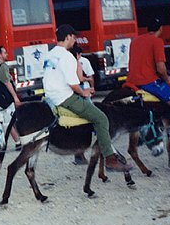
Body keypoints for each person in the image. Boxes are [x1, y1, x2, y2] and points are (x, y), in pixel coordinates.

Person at [43, 24, 131, 172]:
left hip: (49, 97)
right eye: (74, 37)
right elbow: (73, 84)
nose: (75, 40)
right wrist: (84, 92)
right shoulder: (67, 56)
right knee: (101, 118)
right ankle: (110, 158)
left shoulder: (49, 54)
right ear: (68, 37)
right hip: (65, 98)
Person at [126, 18, 170, 166]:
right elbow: (160, 68)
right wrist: (167, 78)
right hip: (149, 82)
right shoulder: (157, 41)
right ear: (161, 29)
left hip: (132, 81)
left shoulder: (135, 41)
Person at [69, 44, 95, 164]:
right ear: (78, 54)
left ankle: (78, 154)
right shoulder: (77, 62)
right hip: (82, 92)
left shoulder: (68, 61)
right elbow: (80, 79)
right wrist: (89, 81)